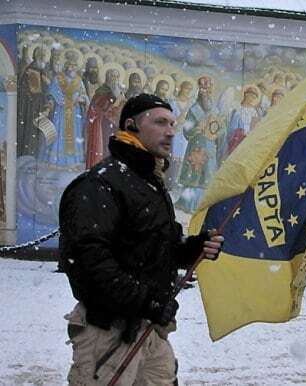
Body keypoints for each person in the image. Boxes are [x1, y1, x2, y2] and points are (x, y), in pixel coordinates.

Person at [59, 94, 224, 385]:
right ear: (131, 125)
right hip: (108, 333)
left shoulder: (150, 183)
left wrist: (194, 247)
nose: (171, 131)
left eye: (172, 124)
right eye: (160, 122)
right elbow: (89, 263)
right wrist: (146, 301)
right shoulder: (100, 184)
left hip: (150, 331)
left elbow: (162, 248)